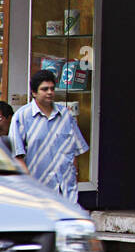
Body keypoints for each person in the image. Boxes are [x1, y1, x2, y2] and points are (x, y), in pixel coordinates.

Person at [9, 70, 89, 204]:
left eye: (52, 88)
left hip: (66, 191)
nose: (50, 92)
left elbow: (74, 151)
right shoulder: (22, 117)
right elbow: (17, 156)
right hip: (38, 192)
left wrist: (74, 177)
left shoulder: (66, 115)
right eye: (44, 89)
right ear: (34, 93)